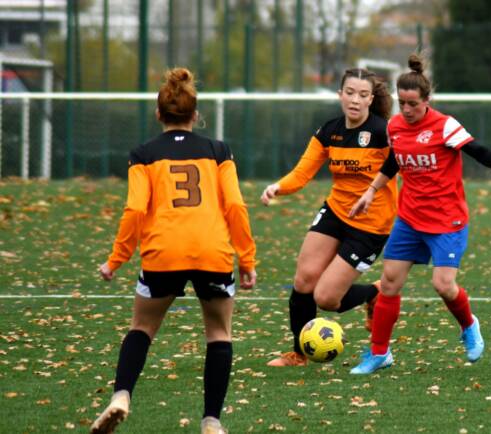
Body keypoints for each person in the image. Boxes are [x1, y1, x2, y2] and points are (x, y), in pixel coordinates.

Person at [90, 68, 256, 434]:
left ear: (158, 114)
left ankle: (120, 396)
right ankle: (212, 421)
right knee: (218, 334)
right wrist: (247, 259)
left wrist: (115, 260)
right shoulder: (218, 151)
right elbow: (236, 207)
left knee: (143, 328)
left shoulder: (143, 155)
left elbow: (134, 210)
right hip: (211, 253)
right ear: (195, 115)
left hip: (163, 254)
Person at [347, 53, 491, 375]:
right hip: (409, 218)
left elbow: (476, 150)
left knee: (443, 284)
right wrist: (371, 191)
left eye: (413, 104)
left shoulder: (445, 125)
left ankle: (469, 325)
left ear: (427, 101)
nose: (406, 110)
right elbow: (394, 162)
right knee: (389, 283)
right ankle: (379, 353)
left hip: (447, 219)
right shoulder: (394, 126)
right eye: (402, 103)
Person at [260, 68, 397, 367]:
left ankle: (373, 294)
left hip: (372, 224)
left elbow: (402, 162)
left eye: (363, 95)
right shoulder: (329, 131)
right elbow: (302, 172)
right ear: (340, 95)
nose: (355, 100)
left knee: (326, 298)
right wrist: (277, 188)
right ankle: (298, 353)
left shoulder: (383, 132)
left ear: (371, 99)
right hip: (336, 212)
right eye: (350, 93)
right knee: (304, 279)